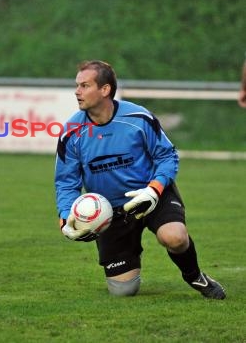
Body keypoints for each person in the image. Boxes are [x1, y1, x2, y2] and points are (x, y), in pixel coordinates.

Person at [54, 60, 226, 299]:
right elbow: (66, 181)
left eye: (84, 85)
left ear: (105, 90)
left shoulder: (138, 118)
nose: (77, 91)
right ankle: (129, 254)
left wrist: (154, 190)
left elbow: (167, 156)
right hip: (110, 212)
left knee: (174, 237)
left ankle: (195, 276)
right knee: (123, 290)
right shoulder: (72, 131)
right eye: (77, 85)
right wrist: (66, 217)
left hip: (152, 196)